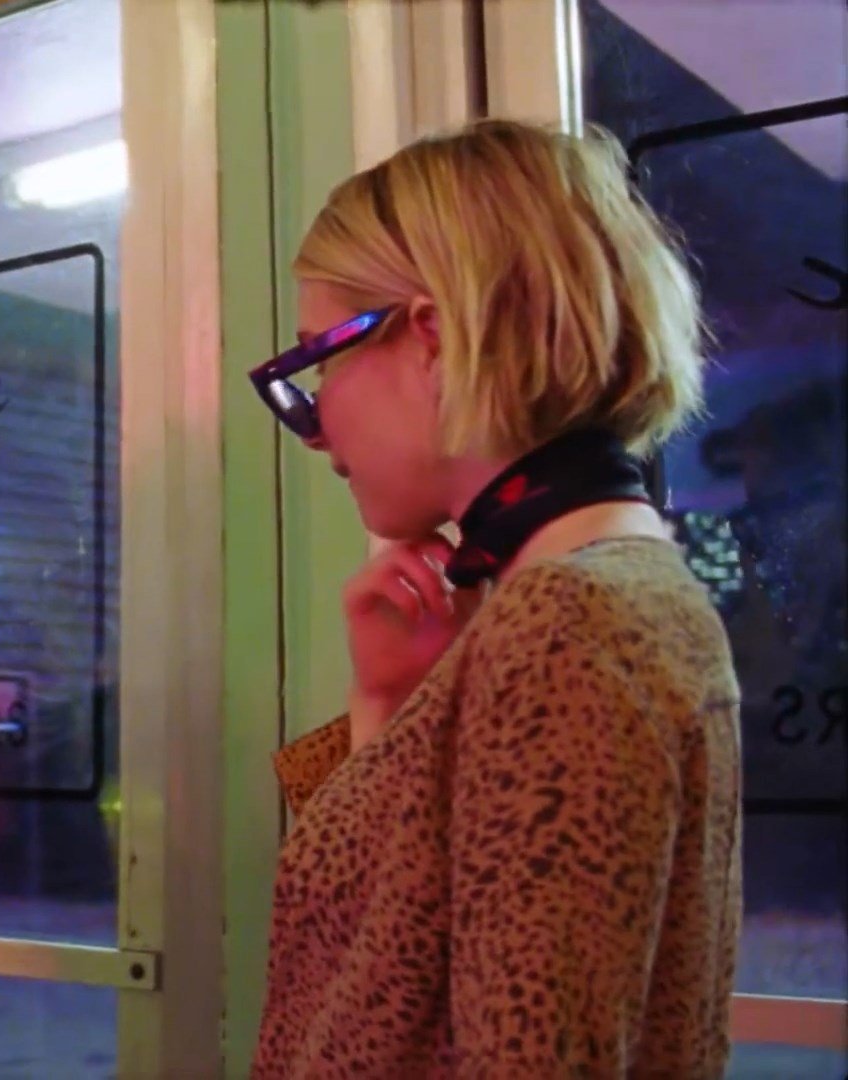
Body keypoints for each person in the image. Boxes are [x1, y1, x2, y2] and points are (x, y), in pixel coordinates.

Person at [246, 119, 741, 1077]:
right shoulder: (598, 593)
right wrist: (393, 702)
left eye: (318, 362)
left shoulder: (568, 627)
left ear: (431, 336)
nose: (314, 427)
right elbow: (397, 957)